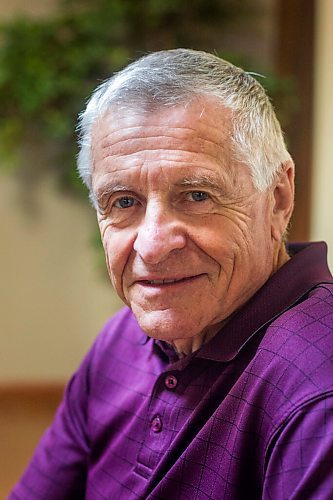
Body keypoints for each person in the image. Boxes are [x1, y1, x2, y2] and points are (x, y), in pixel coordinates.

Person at [11, 49, 333, 499]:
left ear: (277, 198)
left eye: (197, 195)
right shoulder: (121, 339)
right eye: (124, 202)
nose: (153, 244)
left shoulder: (319, 393)